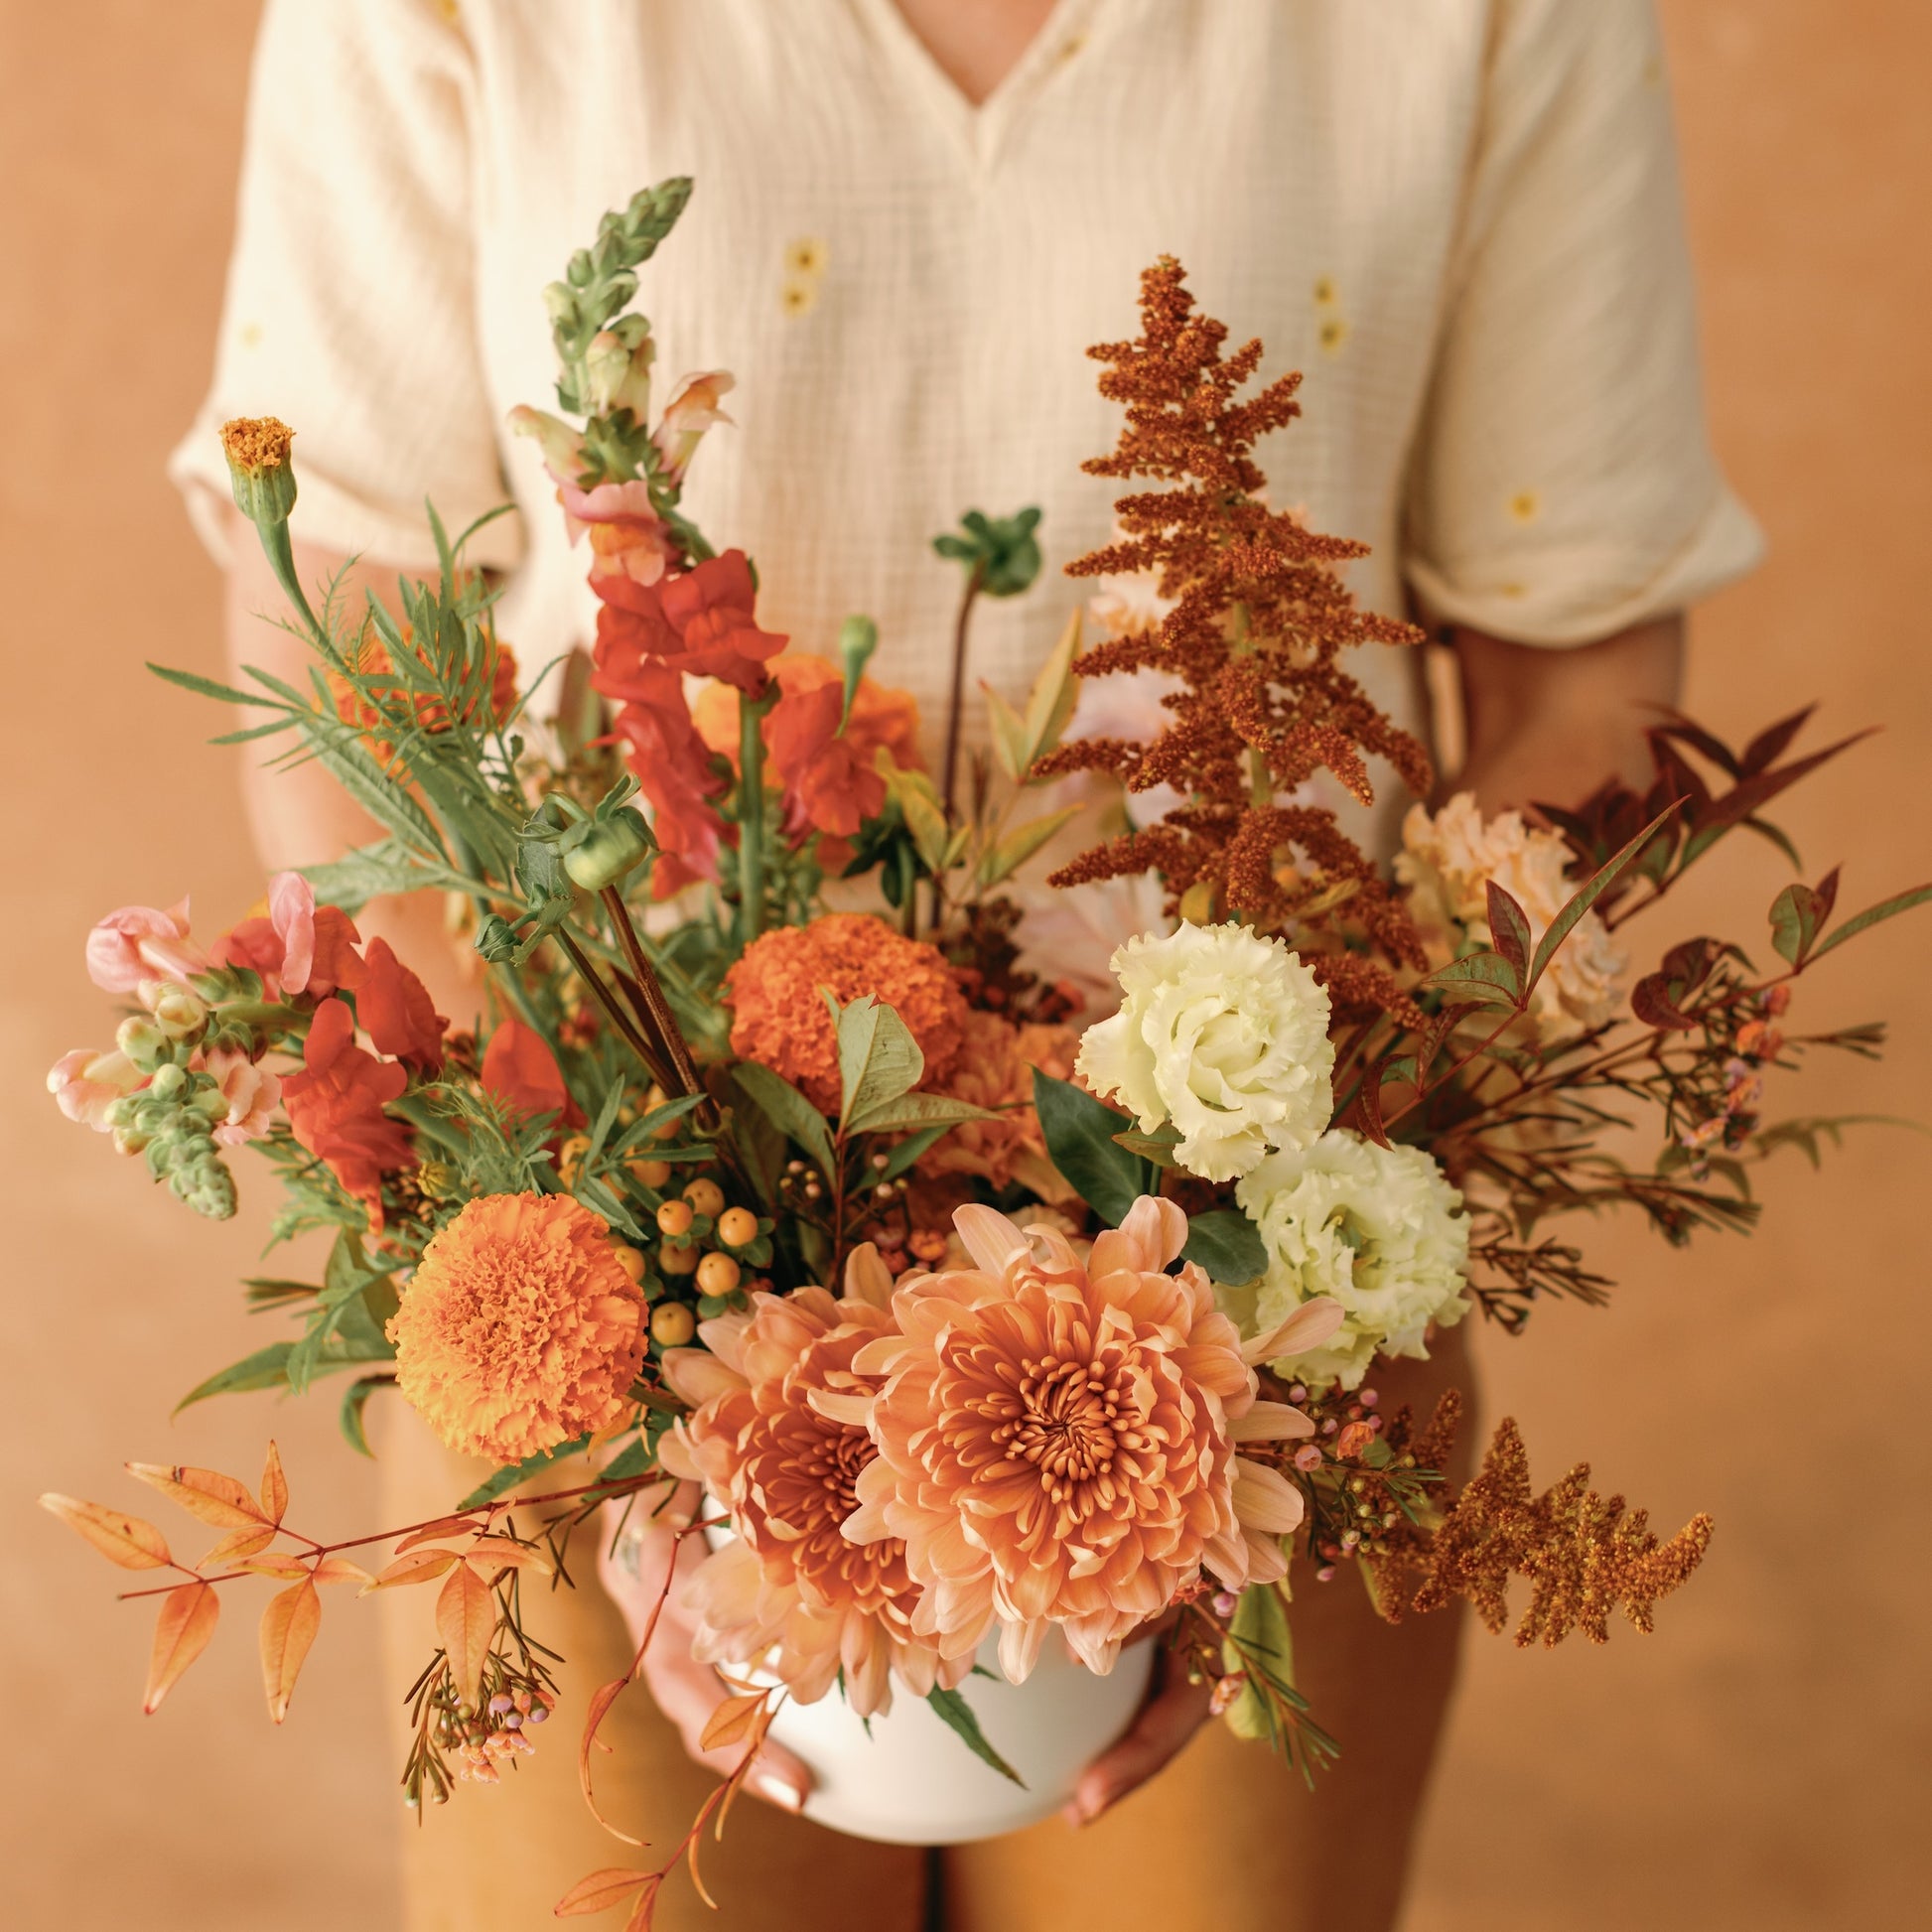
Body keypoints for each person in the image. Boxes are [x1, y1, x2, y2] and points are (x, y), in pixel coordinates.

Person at [173, 4, 1760, 1927]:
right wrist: (601, 1321)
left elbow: (1574, 683)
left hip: (1265, 1320)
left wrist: (1229, 1318)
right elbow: (340, 633)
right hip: (607, 1274)